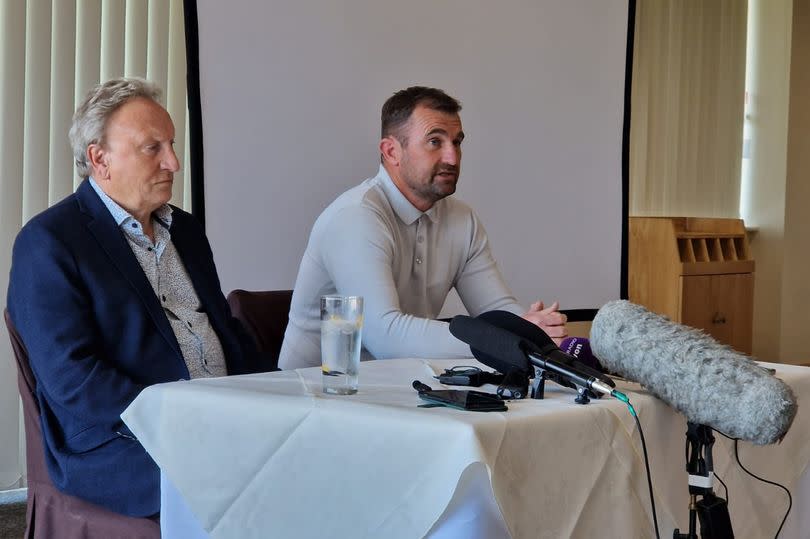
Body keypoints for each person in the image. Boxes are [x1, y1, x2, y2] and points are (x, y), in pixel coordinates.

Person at [6, 78, 261, 518]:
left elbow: (222, 328)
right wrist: (182, 419)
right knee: (246, 482)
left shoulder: (185, 230)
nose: (174, 162)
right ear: (99, 158)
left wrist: (275, 395)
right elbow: (74, 379)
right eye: (153, 148)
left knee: (320, 456)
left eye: (172, 145)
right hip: (121, 440)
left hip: (223, 418)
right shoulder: (49, 241)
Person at [279, 86, 567, 370]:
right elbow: (386, 337)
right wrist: (504, 339)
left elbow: (497, 310)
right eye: (434, 142)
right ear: (392, 151)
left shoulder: (462, 219)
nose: (452, 158)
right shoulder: (355, 217)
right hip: (313, 395)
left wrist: (534, 330)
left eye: (457, 142)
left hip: (398, 389)